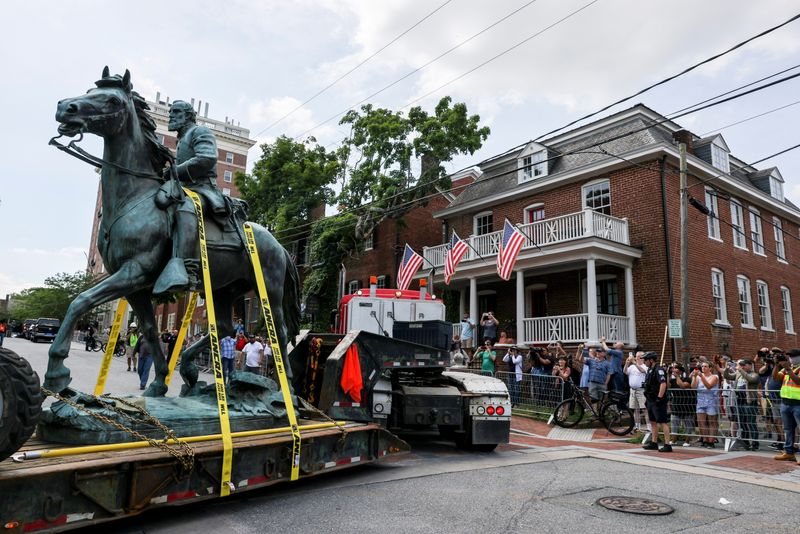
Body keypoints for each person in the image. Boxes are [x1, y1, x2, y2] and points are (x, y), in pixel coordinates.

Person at [153, 100, 230, 295]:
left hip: (202, 189)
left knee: (185, 208)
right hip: (183, 187)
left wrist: (174, 172)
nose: (171, 115)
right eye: (171, 112)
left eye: (176, 112)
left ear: (188, 115)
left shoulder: (200, 132)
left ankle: (188, 269)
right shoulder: (181, 140)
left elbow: (206, 159)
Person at [724, 359, 760, 450]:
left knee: (751, 423)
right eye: (741, 365)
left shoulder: (754, 374)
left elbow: (750, 379)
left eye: (744, 365)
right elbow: (727, 376)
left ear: (750, 365)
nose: (742, 366)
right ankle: (745, 442)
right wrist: (726, 369)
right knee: (742, 423)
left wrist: (740, 370)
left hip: (749, 402)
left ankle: (755, 443)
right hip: (739, 401)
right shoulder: (738, 374)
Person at [772, 350, 800, 463]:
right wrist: (776, 365)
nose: (791, 359)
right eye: (789, 357)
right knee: (788, 429)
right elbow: (775, 377)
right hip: (786, 403)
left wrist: (788, 369)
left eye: (793, 356)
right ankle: (789, 453)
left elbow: (798, 381)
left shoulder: (792, 369)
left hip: (798, 404)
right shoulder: (788, 368)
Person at [641, 352, 672, 452]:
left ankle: (667, 444)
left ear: (651, 360)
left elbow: (663, 384)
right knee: (653, 422)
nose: (644, 362)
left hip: (658, 400)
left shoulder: (659, 370)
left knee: (663, 422)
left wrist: (659, 398)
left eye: (645, 360)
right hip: (650, 399)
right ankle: (654, 443)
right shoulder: (650, 370)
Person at [691, 361, 720, 448]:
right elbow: (693, 386)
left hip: (711, 401)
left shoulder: (714, 377)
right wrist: (694, 376)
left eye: (705, 366)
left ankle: (711, 441)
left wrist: (701, 376)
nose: (703, 368)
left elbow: (709, 386)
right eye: (702, 366)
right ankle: (705, 440)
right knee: (701, 422)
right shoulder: (699, 377)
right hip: (700, 402)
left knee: (712, 422)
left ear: (710, 368)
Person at [668, 362, 695, 447]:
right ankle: (673, 440)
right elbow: (667, 385)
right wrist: (667, 374)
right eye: (673, 368)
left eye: (676, 368)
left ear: (680, 371)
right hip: (676, 404)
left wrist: (677, 376)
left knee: (688, 424)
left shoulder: (687, 379)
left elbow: (682, 385)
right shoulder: (672, 380)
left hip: (687, 404)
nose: (674, 369)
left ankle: (687, 441)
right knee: (674, 423)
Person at [624, 351, 648, 432]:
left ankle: (649, 427)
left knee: (644, 409)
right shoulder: (632, 367)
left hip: (641, 390)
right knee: (635, 409)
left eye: (638, 357)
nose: (636, 358)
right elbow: (625, 372)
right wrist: (627, 363)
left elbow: (642, 370)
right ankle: (637, 426)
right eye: (636, 356)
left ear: (642, 358)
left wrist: (634, 362)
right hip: (633, 391)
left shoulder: (645, 366)